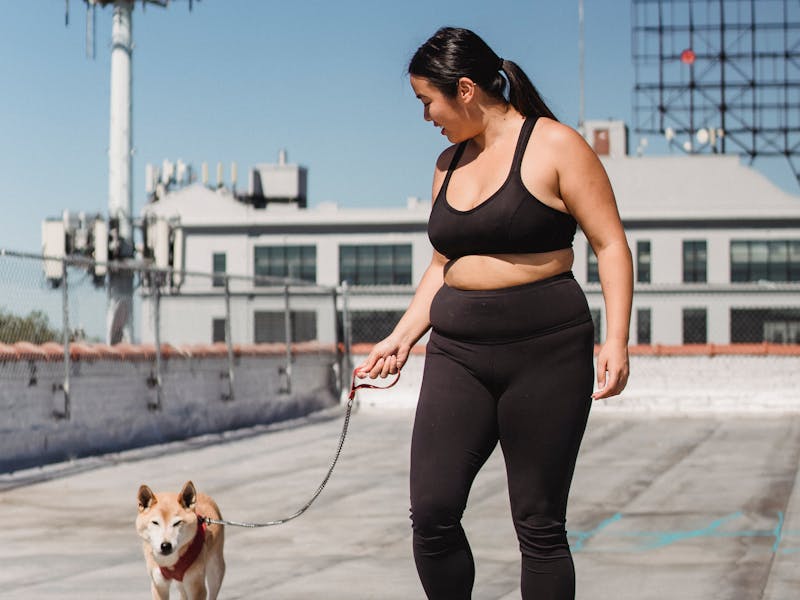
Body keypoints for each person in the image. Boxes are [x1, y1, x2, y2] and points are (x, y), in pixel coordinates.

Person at [356, 26, 632, 600]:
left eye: (427, 101)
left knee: (539, 524)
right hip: (458, 352)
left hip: (547, 352)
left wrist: (617, 341)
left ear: (464, 89)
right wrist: (401, 337)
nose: (425, 116)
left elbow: (610, 244)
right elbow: (443, 264)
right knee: (432, 513)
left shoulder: (556, 145)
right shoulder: (447, 163)